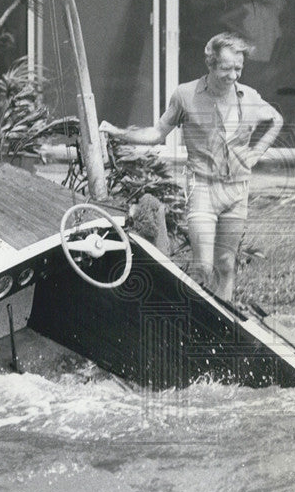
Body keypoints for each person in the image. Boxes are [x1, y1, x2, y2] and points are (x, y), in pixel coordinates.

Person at [100, 32, 284, 302]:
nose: (233, 76)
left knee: (225, 263)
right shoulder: (186, 95)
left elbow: (276, 119)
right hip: (203, 188)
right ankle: (197, 320)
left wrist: (255, 154)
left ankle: (222, 323)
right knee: (203, 266)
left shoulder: (250, 97)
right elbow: (156, 133)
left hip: (237, 190)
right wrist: (118, 132)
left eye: (238, 69)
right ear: (210, 64)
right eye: (226, 69)